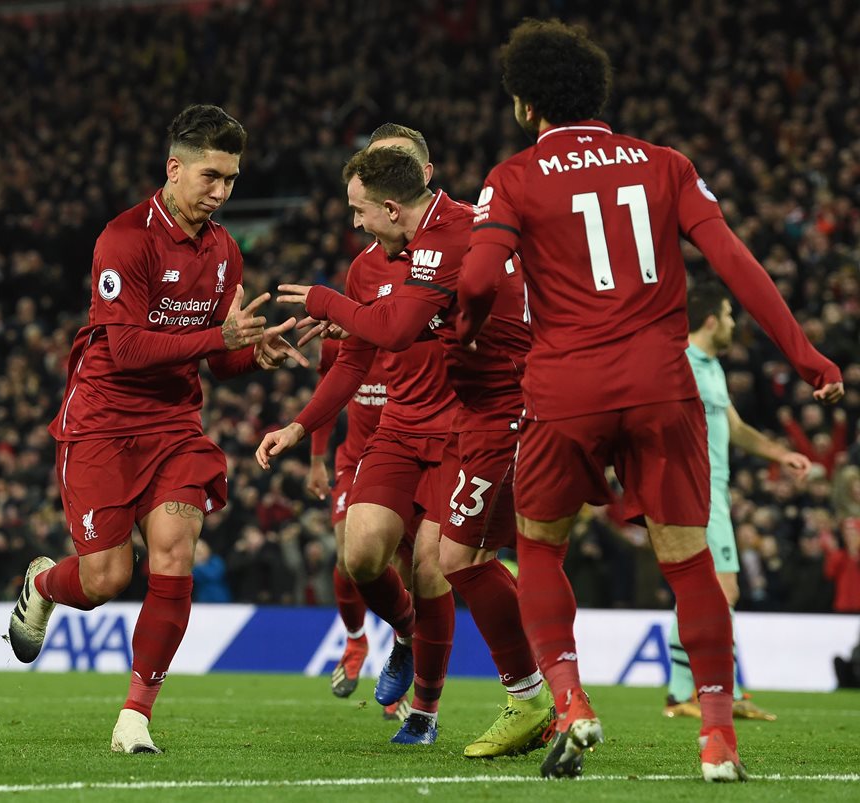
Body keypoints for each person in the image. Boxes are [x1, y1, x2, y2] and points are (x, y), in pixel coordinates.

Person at [447, 19, 843, 781]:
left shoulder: (515, 176)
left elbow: (475, 279)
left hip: (566, 387)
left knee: (538, 546)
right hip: (664, 386)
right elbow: (732, 257)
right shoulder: (666, 164)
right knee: (690, 563)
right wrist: (802, 352)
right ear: (599, 94)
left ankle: (571, 702)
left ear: (528, 104)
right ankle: (718, 740)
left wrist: (465, 330)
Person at [9, 104, 306, 754]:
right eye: (210, 176)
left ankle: (135, 715)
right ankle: (41, 584)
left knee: (175, 547)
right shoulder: (124, 239)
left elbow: (218, 359)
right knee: (106, 578)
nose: (222, 192)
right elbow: (126, 350)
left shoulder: (225, 250)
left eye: (230, 179)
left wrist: (253, 352)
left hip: (174, 424)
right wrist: (218, 337)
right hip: (103, 423)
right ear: (174, 169)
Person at [268, 135, 552, 753]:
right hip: (399, 425)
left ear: (394, 202)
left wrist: (326, 300)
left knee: (435, 565)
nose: (354, 221)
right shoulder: (372, 261)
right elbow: (352, 359)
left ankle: (425, 709)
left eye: (359, 209)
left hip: (465, 423)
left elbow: (393, 328)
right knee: (361, 554)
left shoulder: (454, 235)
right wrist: (301, 426)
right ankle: (405, 631)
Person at [664, 286, 810, 721]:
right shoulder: (679, 364)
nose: (732, 323)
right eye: (728, 315)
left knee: (705, 592)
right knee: (722, 590)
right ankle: (712, 691)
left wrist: (780, 454)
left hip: (716, 492)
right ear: (711, 319)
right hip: (694, 491)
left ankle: (688, 692)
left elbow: (737, 428)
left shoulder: (711, 368)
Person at [306, 335, 413, 720]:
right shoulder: (343, 336)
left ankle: (398, 672)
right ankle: (355, 641)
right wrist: (317, 459)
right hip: (354, 461)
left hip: (407, 456)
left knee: (404, 574)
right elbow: (329, 392)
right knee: (349, 558)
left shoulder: (417, 332)